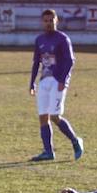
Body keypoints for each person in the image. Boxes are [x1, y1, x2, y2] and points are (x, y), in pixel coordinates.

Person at [28, 9, 83, 162]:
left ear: (56, 21)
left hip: (57, 81)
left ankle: (75, 140)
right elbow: (36, 62)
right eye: (45, 20)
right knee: (43, 117)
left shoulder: (62, 39)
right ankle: (48, 152)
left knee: (54, 116)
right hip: (44, 81)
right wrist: (32, 82)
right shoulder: (39, 40)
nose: (48, 23)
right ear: (42, 22)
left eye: (51, 20)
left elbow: (70, 61)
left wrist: (63, 80)